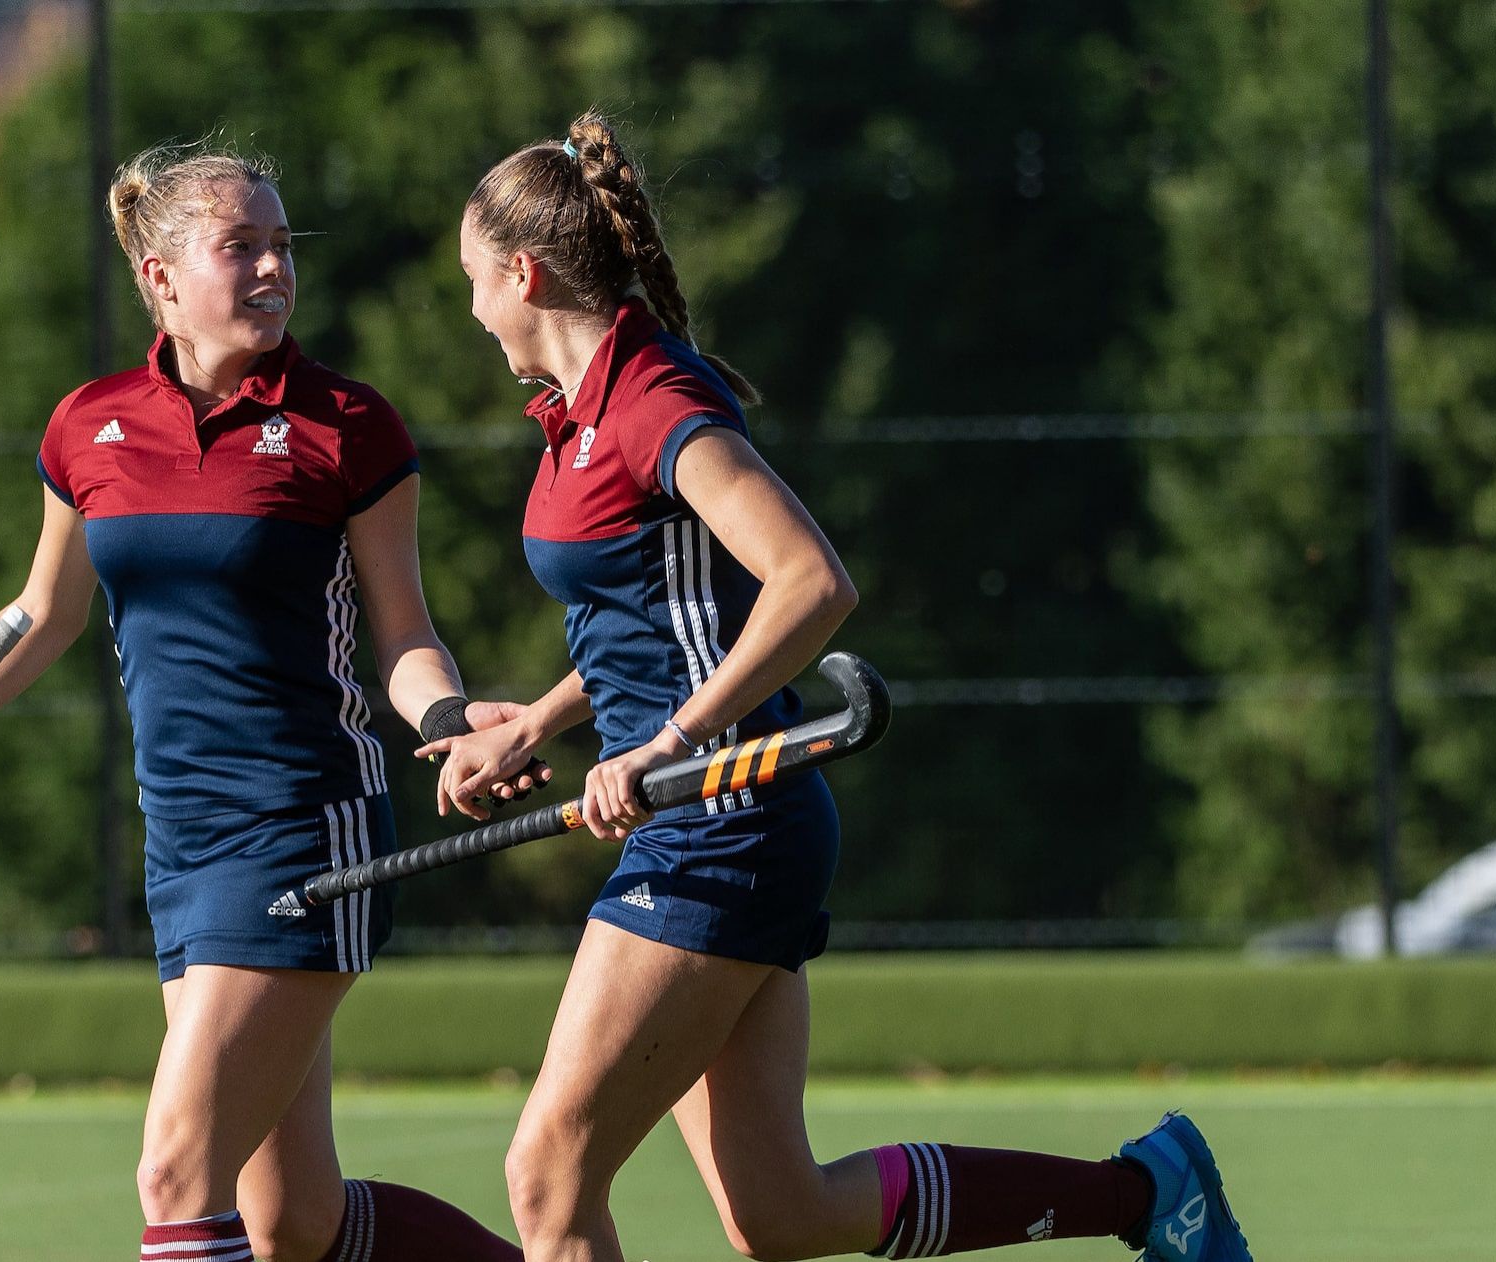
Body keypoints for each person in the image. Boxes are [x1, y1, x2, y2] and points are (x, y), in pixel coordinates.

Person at [417, 112, 1252, 1262]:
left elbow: (810, 580)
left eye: (473, 280)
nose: (470, 310)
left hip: (718, 821)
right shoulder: (582, 414)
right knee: (781, 1213)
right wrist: (541, 723)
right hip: (710, 813)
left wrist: (669, 738)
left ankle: (1148, 1193)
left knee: (548, 1174)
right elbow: (656, 622)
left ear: (523, 271)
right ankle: (1146, 1193)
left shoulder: (652, 398)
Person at [0, 140, 527, 1262]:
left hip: (306, 832)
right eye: (238, 247)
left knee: (174, 1170)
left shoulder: (348, 426)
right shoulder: (88, 425)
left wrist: (446, 723)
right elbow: (38, 615)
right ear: (159, 278)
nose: (271, 270)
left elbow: (402, 630)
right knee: (291, 1219)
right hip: (185, 847)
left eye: (279, 246)